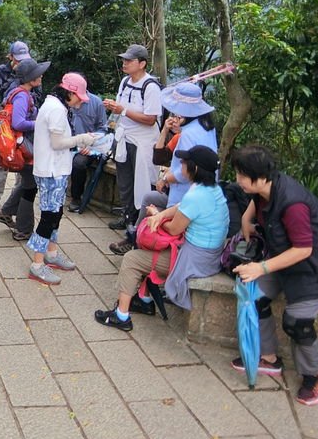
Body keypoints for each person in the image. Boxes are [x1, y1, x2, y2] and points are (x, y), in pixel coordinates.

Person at [229, 145, 318, 406]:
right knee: (253, 295)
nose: (238, 180)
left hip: (317, 269)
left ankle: (315, 375)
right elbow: (255, 205)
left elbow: (304, 249)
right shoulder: (264, 190)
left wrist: (260, 267)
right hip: (286, 262)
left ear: (260, 176)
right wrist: (245, 220)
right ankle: (269, 358)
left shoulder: (292, 203)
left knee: (296, 323)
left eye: (242, 175)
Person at [94, 145, 228, 330]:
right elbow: (181, 207)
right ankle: (144, 299)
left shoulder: (197, 196)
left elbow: (174, 229)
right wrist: (160, 216)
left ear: (194, 169)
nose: (180, 167)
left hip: (194, 260)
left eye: (183, 163)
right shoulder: (213, 190)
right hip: (208, 255)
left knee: (132, 259)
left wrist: (155, 216)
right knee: (152, 249)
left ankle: (121, 316)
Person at [109, 81, 217, 255]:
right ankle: (135, 238)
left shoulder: (189, 134)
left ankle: (144, 246)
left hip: (184, 195)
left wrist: (165, 179)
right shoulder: (206, 128)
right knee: (148, 197)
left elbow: (185, 173)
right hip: (197, 190)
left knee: (153, 205)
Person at [26, 73, 100, 285]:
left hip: (54, 168)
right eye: (79, 96)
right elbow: (57, 143)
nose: (80, 101)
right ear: (70, 92)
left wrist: (78, 141)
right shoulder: (57, 110)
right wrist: (82, 139)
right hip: (51, 170)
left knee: (56, 213)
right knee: (49, 217)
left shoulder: (54, 104)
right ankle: (38, 265)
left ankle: (51, 253)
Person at [102, 44, 162, 240]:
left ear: (142, 64)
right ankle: (127, 216)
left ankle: (140, 222)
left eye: (129, 60)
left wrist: (123, 111)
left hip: (143, 142)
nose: (125, 63)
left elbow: (151, 119)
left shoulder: (150, 86)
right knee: (125, 180)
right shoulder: (125, 81)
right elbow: (121, 108)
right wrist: (115, 108)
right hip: (125, 136)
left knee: (142, 182)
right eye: (124, 60)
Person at [0, 56, 50, 242]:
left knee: (28, 182)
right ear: (30, 78)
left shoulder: (16, 92)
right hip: (23, 148)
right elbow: (18, 122)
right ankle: (24, 229)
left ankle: (6, 212)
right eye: (38, 74)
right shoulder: (22, 96)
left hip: (20, 146)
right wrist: (40, 123)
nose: (41, 76)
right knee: (30, 186)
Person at [0, 41, 30, 213]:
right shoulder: (2, 70)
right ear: (10, 56)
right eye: (17, 59)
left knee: (24, 156)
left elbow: (36, 93)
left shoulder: (32, 69)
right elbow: (3, 92)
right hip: (5, 118)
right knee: (3, 155)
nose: (21, 62)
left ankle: (16, 197)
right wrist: (17, 74)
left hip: (25, 118)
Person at [67, 77, 107, 210]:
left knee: (79, 163)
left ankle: (76, 198)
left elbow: (103, 129)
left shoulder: (96, 103)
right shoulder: (66, 101)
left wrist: (90, 145)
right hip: (68, 142)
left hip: (88, 146)